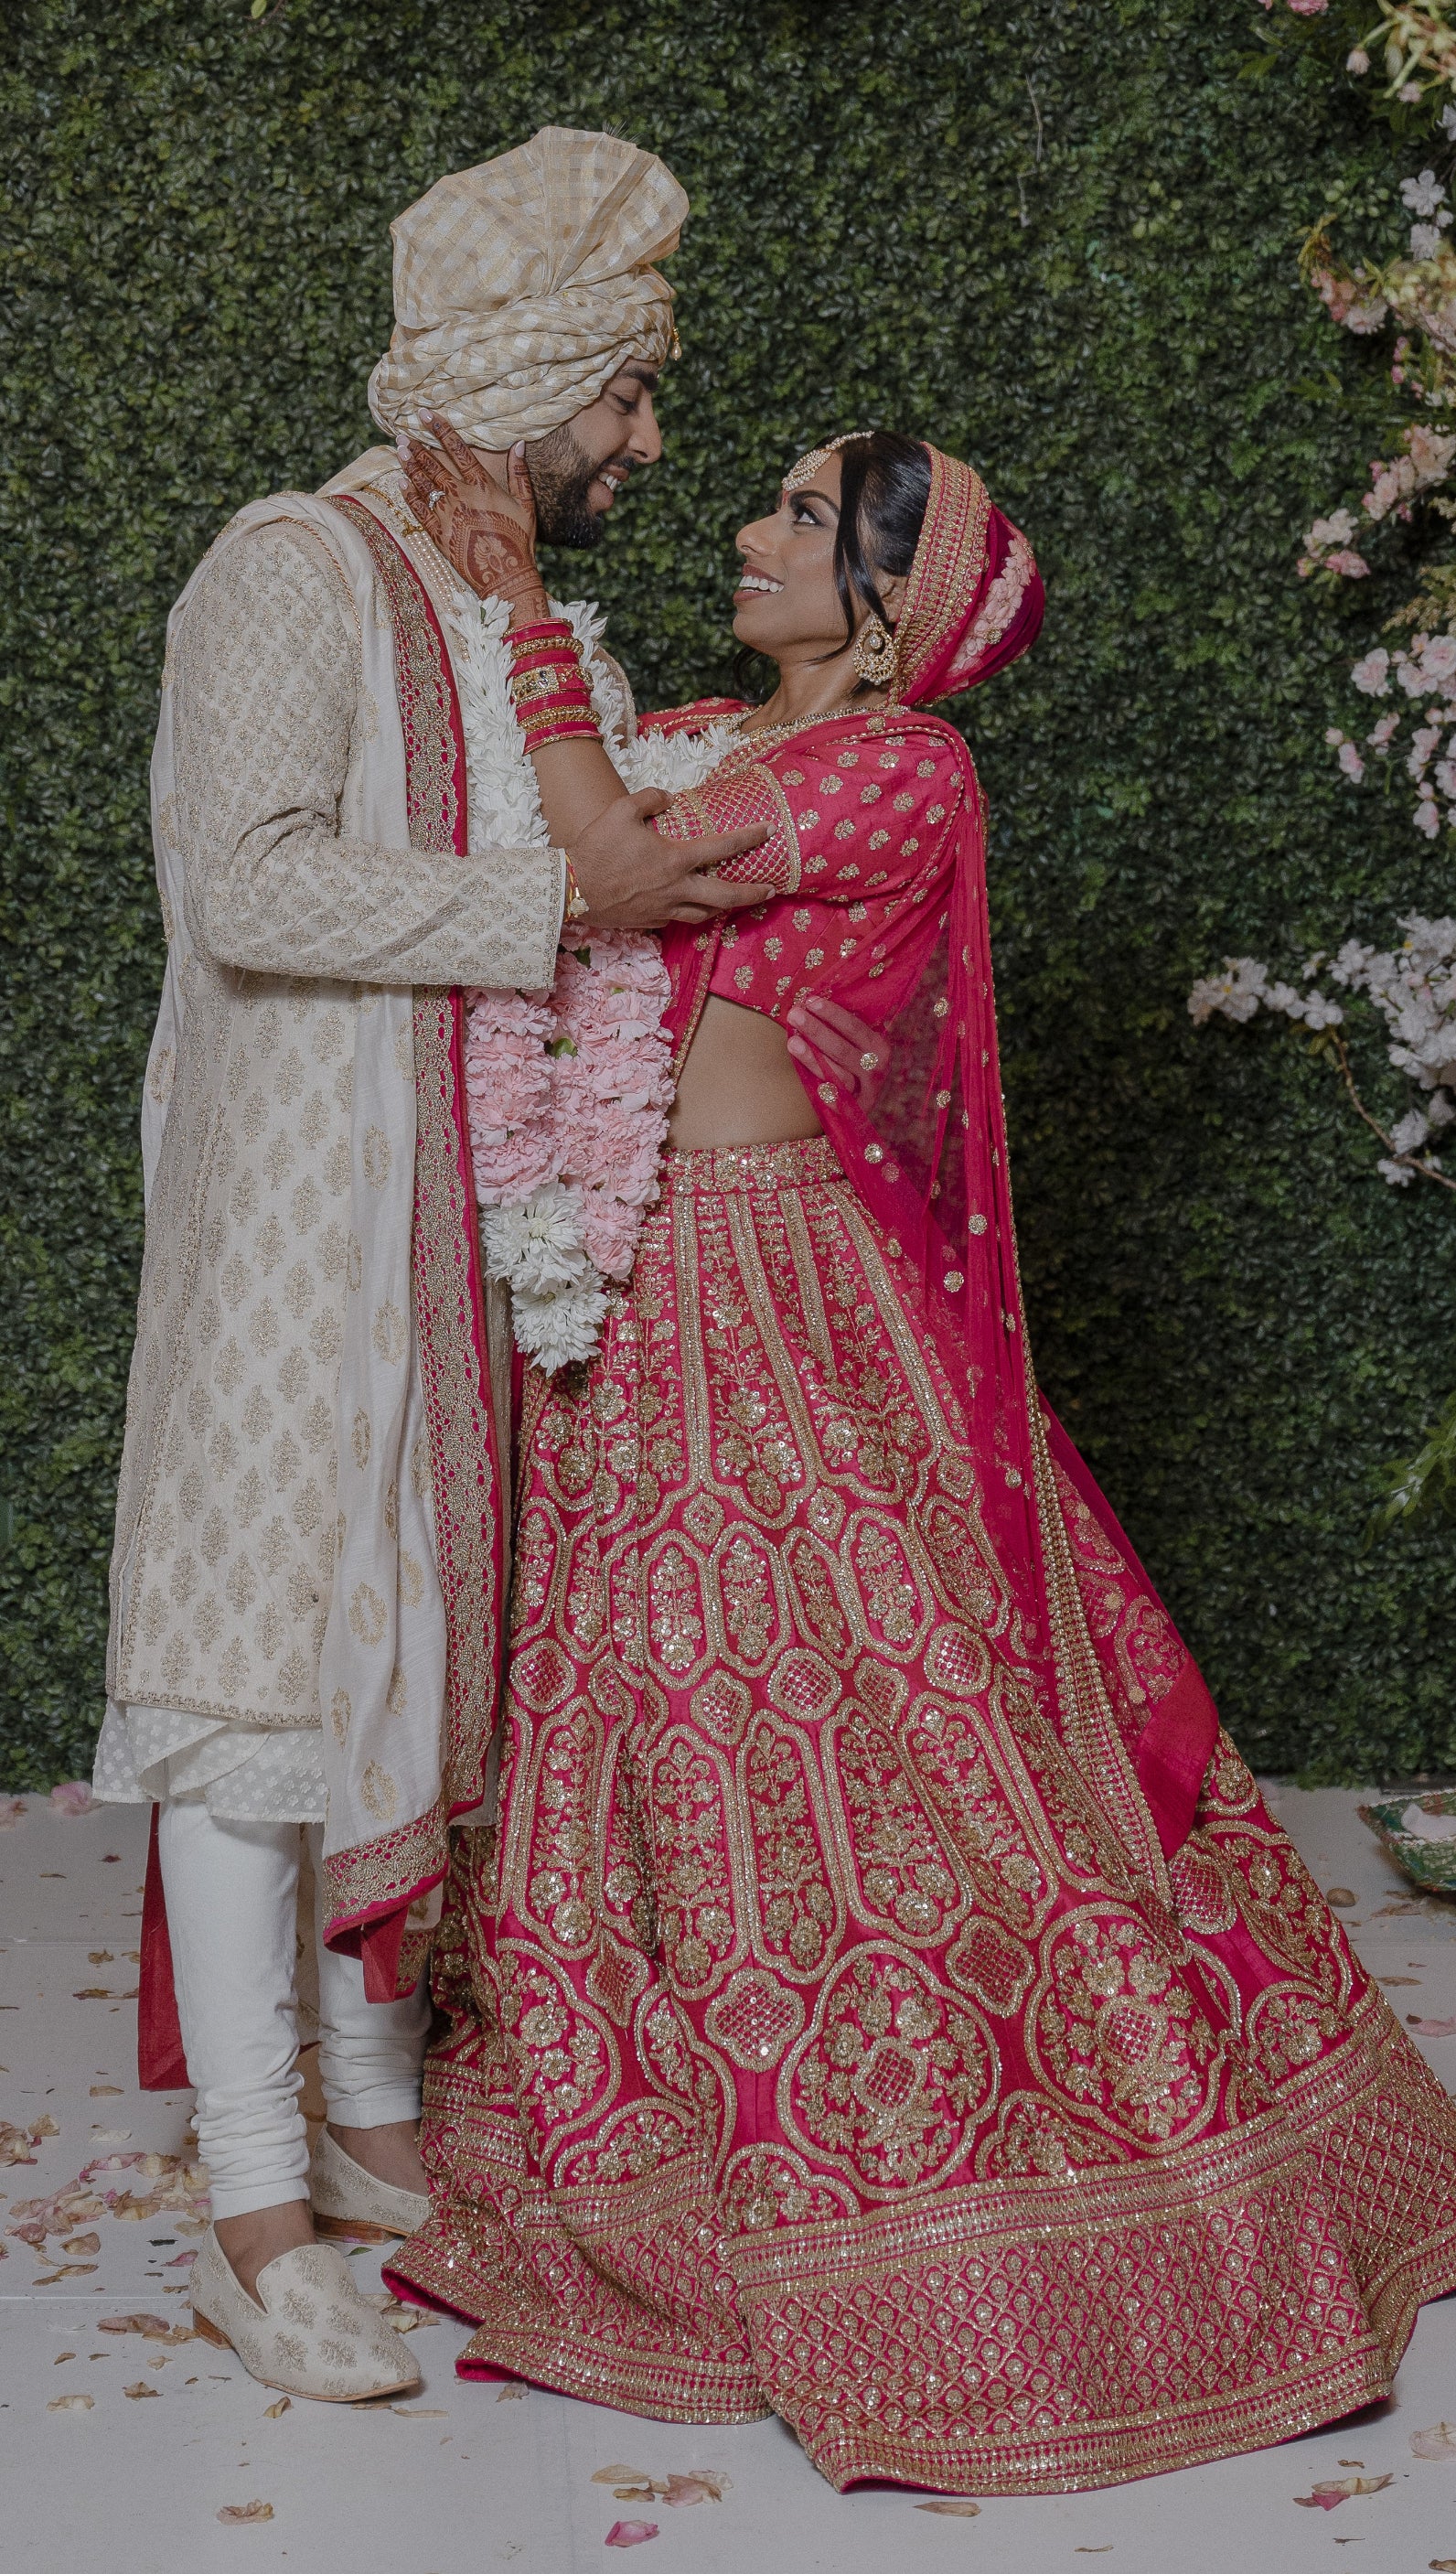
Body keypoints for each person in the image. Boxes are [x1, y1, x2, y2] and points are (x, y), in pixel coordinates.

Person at [386, 423, 1456, 2492]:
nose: (749, 528)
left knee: (878, 1714)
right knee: (643, 1704)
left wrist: (523, 614)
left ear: (894, 598)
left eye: (804, 518)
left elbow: (607, 864)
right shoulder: (731, 722)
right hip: (633, 1283)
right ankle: (661, 2128)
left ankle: (997, 2181)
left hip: (777, 1292)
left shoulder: (898, 769)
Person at [94, 127, 781, 2404]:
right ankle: (253, 2205)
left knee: (425, 1648)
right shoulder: (289, 567)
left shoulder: (501, 605)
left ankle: (380, 2129)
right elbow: (248, 888)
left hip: (459, 1211)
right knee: (260, 1658)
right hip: (305, 1201)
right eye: (627, 396)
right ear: (529, 378)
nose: (649, 443)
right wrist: (559, 906)